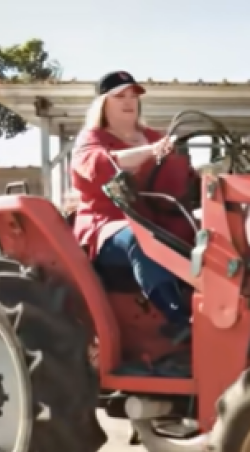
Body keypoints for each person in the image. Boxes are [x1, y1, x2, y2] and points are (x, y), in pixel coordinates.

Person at [70, 70, 196, 334]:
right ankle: (176, 319)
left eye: (133, 95)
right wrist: (150, 152)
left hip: (158, 220)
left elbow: (185, 182)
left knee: (211, 232)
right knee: (140, 239)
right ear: (104, 103)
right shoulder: (91, 139)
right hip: (107, 224)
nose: (129, 101)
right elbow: (98, 166)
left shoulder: (155, 137)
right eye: (120, 96)